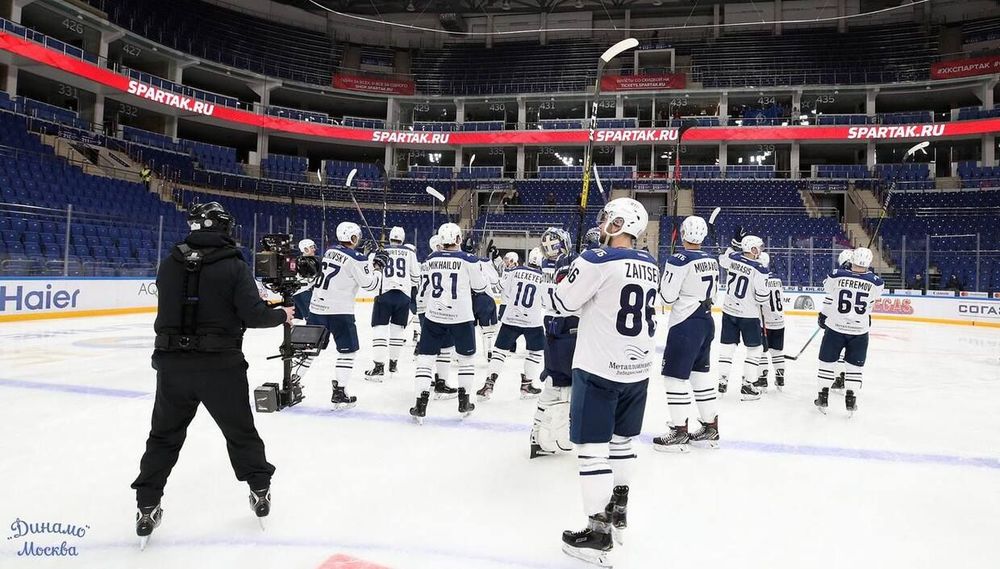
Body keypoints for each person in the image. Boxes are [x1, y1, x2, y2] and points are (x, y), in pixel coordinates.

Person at [132, 202, 293, 545]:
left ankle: (147, 503)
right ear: (223, 228)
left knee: (163, 436)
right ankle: (259, 488)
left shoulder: (169, 263)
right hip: (220, 366)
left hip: (173, 365)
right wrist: (282, 314)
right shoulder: (234, 266)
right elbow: (253, 315)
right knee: (240, 432)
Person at [551, 198, 659, 565]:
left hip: (600, 367)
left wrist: (567, 270)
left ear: (618, 223)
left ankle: (598, 532)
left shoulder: (596, 259)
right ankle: (620, 504)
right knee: (623, 441)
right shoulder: (650, 263)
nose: (602, 223)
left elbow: (563, 303)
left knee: (593, 449)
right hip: (639, 369)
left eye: (607, 218)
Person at [652, 216, 720, 452]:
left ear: (682, 234)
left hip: (685, 322)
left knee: (674, 377)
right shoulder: (711, 260)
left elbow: (668, 297)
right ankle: (711, 427)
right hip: (707, 319)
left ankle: (680, 431)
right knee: (699, 376)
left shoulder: (678, 260)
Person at [410, 223, 489, 422]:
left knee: (426, 359)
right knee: (466, 360)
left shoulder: (430, 258)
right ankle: (464, 402)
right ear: (458, 239)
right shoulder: (468, 259)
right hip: (461, 317)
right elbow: (480, 287)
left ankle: (420, 403)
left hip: (434, 315)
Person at [305, 222, 388, 409]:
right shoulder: (357, 258)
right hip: (340, 312)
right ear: (352, 238)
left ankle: (292, 382)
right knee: (348, 351)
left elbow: (346, 268)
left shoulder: (329, 251)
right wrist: (377, 266)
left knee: (308, 350)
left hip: (317, 308)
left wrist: (368, 261)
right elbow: (371, 286)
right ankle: (340, 391)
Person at [531, 226, 586, 459]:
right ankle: (555, 435)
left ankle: (538, 434)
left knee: (555, 381)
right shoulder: (566, 260)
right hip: (566, 325)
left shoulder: (546, 264)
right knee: (563, 384)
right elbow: (570, 292)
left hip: (552, 323)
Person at [815, 247, 884, 416]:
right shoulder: (877, 282)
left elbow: (828, 290)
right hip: (859, 331)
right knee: (854, 368)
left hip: (835, 328)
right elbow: (873, 299)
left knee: (826, 363)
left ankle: (823, 397)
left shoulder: (836, 274)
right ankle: (851, 400)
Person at [477, 247, 546, 400]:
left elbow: (506, 292)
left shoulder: (515, 272)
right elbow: (546, 302)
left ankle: (489, 384)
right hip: (532, 321)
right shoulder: (543, 277)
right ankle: (527, 386)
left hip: (511, 317)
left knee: (499, 352)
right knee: (535, 353)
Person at [717, 234, 770, 400]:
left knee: (727, 347)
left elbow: (722, 260)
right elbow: (762, 298)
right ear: (752, 249)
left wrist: (731, 245)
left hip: (729, 310)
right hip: (749, 315)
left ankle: (722, 382)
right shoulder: (760, 269)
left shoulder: (733, 258)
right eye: (758, 248)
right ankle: (747, 385)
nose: (760, 250)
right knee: (755, 349)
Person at [365, 227, 419, 380]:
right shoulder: (410, 252)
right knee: (397, 331)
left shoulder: (379, 251)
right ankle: (393, 365)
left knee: (380, 329)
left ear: (389, 237)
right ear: (402, 238)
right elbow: (416, 277)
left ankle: (379, 367)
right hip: (403, 296)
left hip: (385, 294)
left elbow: (371, 272)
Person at [414, 235, 458, 398]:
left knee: (430, 347)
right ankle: (441, 382)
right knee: (444, 347)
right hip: (436, 309)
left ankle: (431, 380)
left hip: (423, 307)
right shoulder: (442, 264)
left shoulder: (427, 263)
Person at [753, 252, 787, 392]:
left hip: (764, 322)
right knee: (777, 351)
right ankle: (780, 376)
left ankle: (762, 378)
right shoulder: (777, 279)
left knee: (761, 351)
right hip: (779, 321)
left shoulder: (759, 278)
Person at [292, 239, 317, 323]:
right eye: (311, 247)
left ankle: (291, 335)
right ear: (305, 249)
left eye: (314, 247)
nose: (314, 249)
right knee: (310, 318)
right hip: (303, 293)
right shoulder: (305, 262)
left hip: (298, 293)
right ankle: (311, 336)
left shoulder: (301, 260)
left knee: (296, 317)